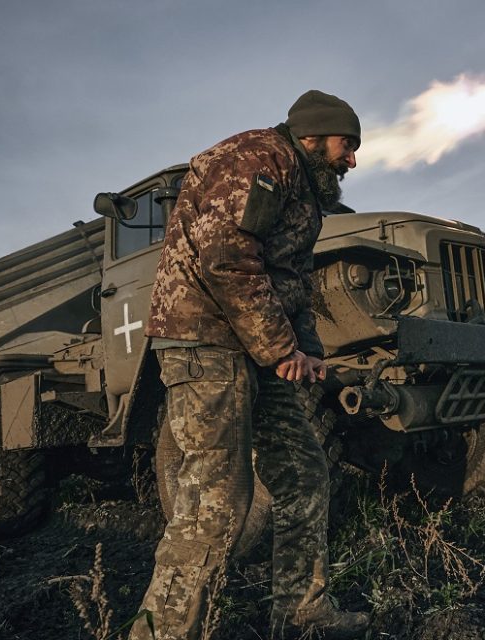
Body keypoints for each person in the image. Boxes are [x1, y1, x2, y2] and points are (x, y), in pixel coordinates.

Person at [129, 90, 367, 640]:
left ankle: (301, 614)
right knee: (216, 497)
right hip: (206, 341)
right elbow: (227, 257)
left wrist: (307, 352)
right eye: (345, 144)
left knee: (305, 474)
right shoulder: (258, 160)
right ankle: (161, 631)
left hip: (257, 349)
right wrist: (282, 348)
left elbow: (293, 281)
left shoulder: (304, 188)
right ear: (312, 134)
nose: (352, 159)